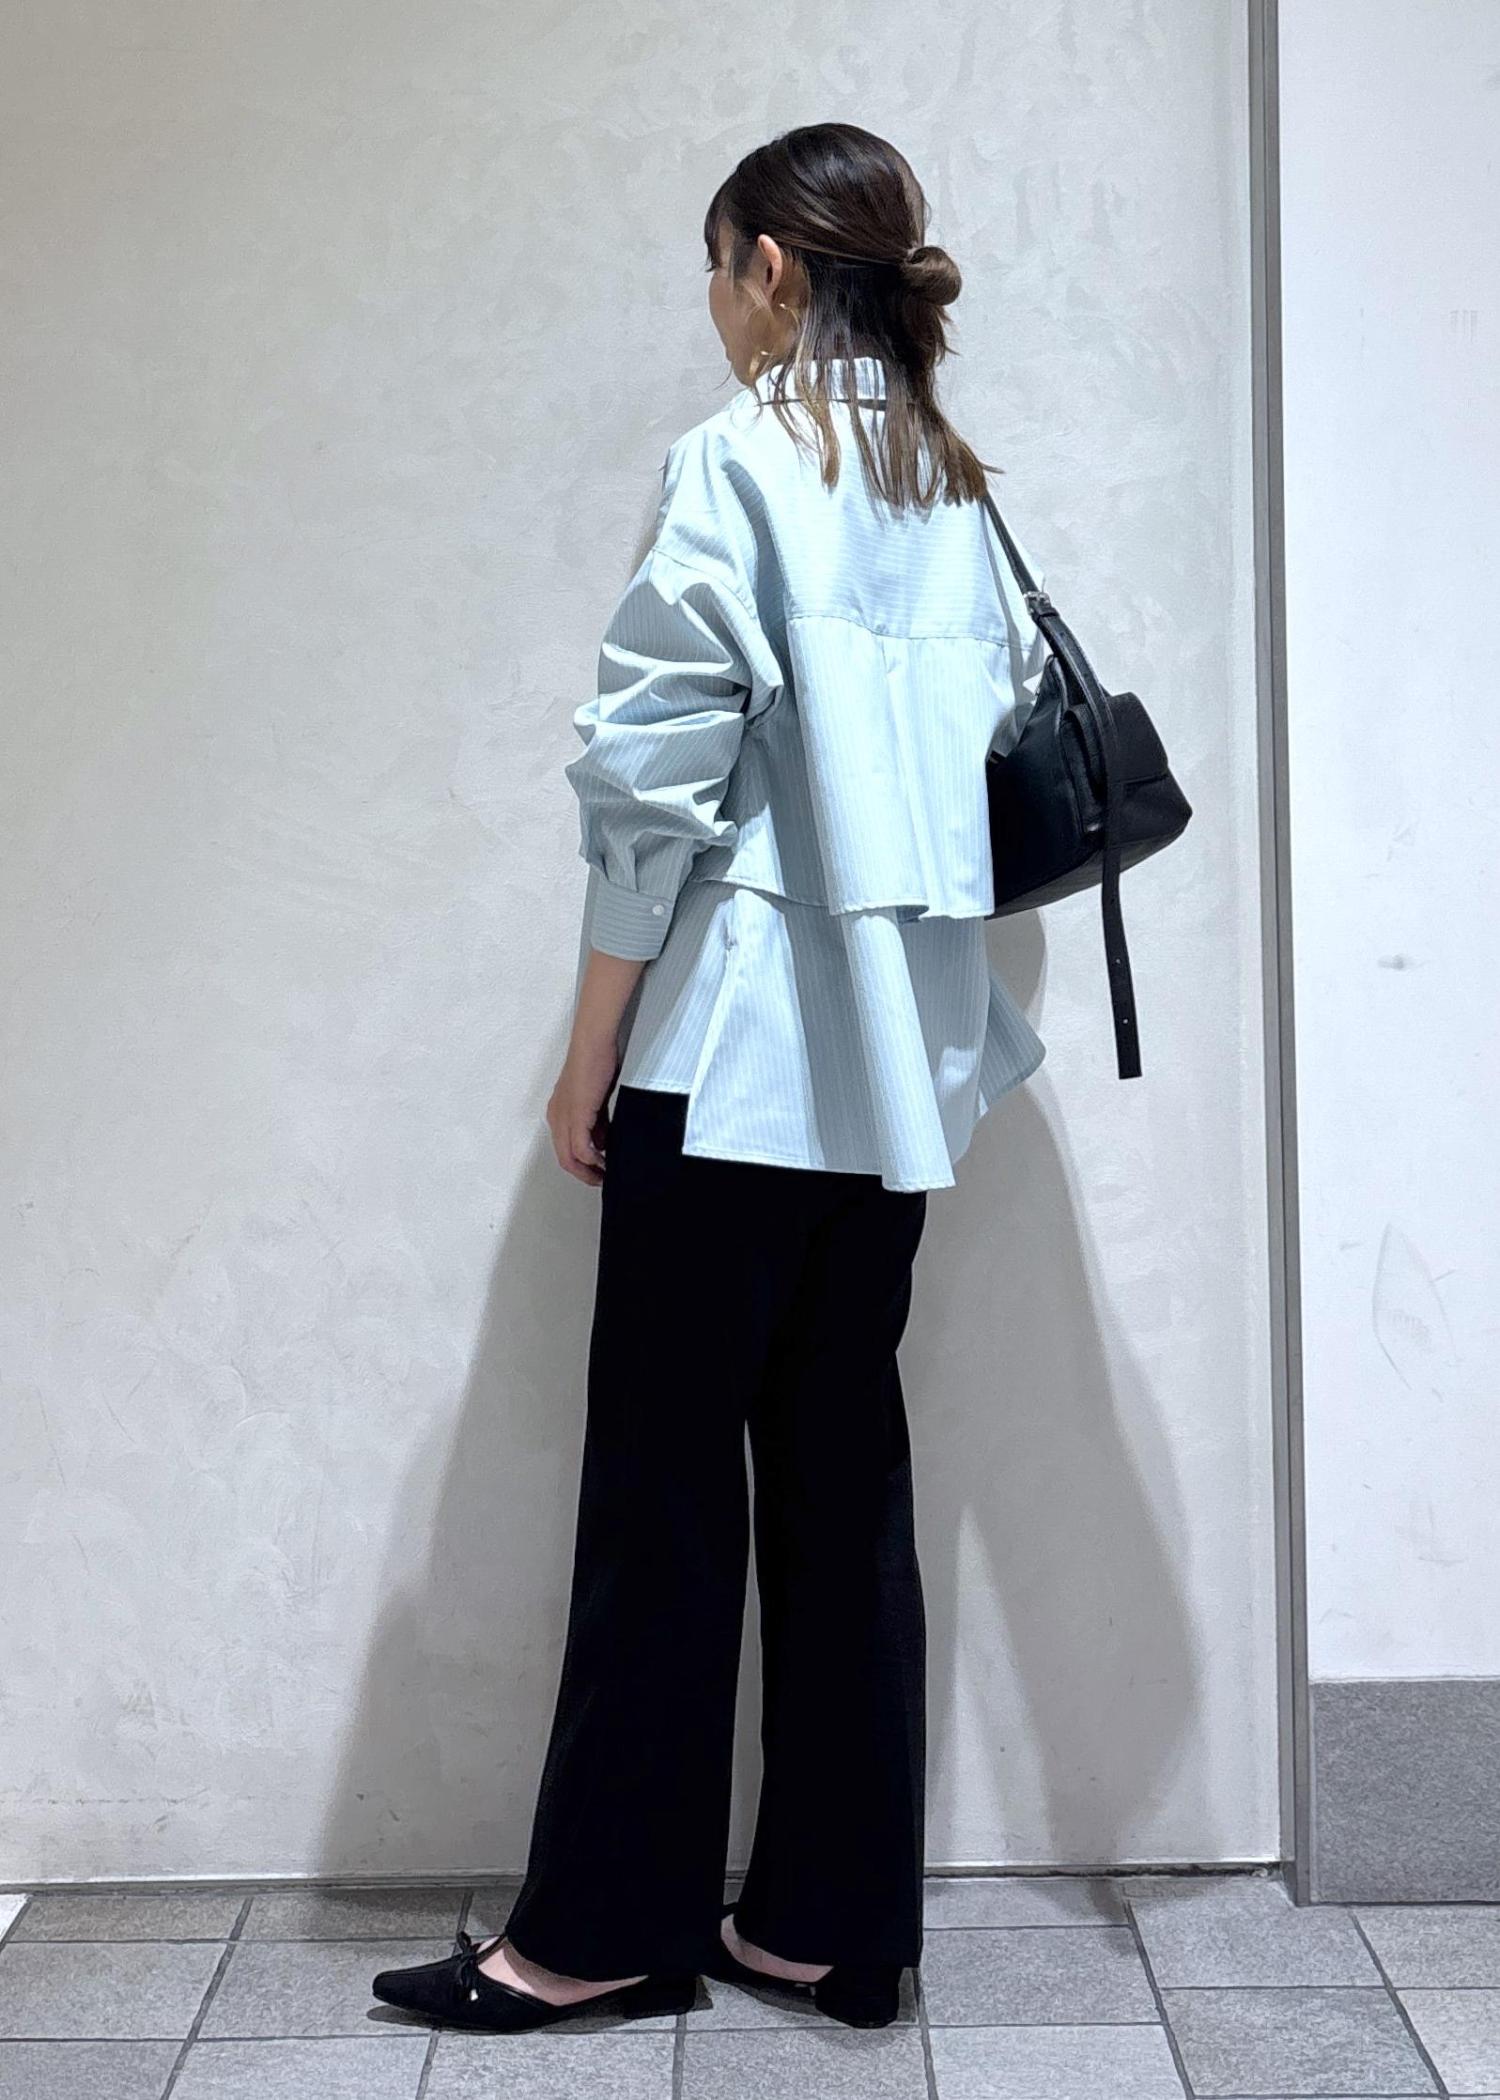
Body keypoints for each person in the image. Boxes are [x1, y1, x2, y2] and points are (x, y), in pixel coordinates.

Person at [372, 120, 1049, 2037]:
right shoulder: (956, 488)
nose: (715, 309)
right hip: (898, 1081)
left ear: (766, 267)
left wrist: (592, 1048)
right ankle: (830, 1924)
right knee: (843, 1484)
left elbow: (648, 784)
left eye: (714, 271)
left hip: (736, 1063)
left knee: (663, 1502)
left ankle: (595, 1932)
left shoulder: (740, 460)